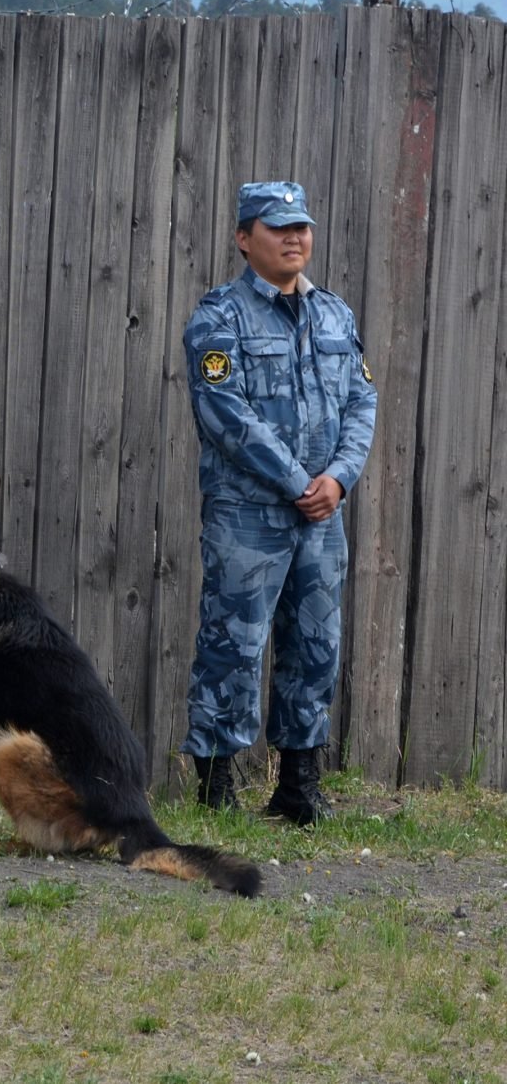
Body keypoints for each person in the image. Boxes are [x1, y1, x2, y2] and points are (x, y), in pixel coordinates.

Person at [181, 181, 375, 826]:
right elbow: (224, 414)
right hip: (249, 515)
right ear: (244, 238)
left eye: (302, 227)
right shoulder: (220, 318)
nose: (295, 238)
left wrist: (339, 478)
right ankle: (215, 789)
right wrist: (299, 481)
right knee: (233, 646)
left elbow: (361, 403)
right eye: (277, 228)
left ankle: (297, 786)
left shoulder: (336, 316)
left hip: (322, 514)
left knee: (315, 647)